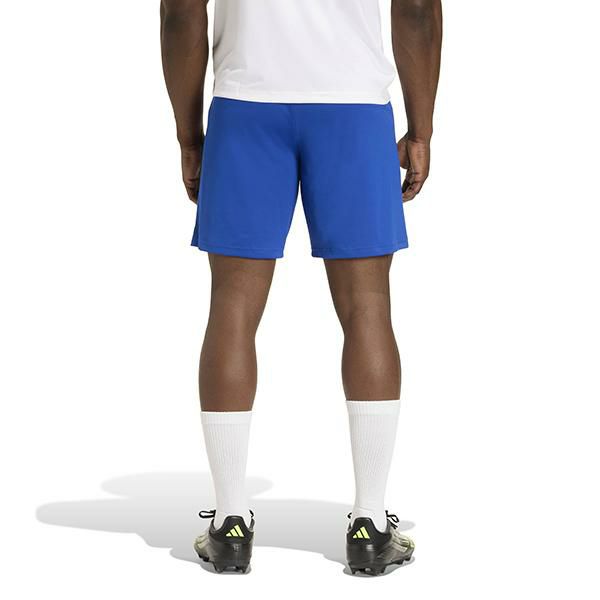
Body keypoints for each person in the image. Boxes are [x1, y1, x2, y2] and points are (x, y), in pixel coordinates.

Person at [160, 0, 442, 576]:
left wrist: (190, 137)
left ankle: (230, 522)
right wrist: (421, 129)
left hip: (246, 104)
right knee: (368, 308)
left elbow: (180, 13)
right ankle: (369, 523)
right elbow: (416, 9)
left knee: (232, 308)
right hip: (353, 105)